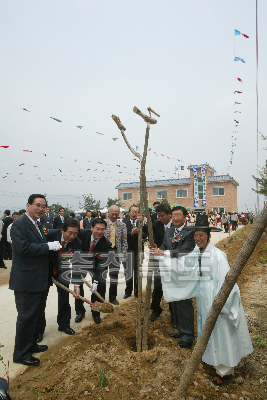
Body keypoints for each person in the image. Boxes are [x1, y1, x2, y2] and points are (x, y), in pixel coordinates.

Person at [183, 214, 253, 385]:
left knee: (222, 333)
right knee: (209, 331)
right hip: (204, 301)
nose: (198, 238)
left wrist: (222, 305)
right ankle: (213, 360)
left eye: (201, 235)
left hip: (218, 304)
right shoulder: (196, 252)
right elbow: (185, 265)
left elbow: (226, 284)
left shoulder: (218, 256)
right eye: (196, 235)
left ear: (209, 236)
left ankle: (225, 371)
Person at [9, 194, 61, 366]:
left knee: (35, 316)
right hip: (26, 279)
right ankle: (21, 353)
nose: (41, 209)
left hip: (39, 278)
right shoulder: (18, 224)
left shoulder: (38, 224)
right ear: (28, 205)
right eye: (37, 205)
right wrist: (47, 246)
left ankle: (30, 345)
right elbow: (23, 248)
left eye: (43, 206)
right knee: (26, 317)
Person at [150, 206, 196, 348]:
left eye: (178, 215)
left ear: (185, 217)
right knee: (175, 302)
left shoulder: (190, 232)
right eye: (174, 215)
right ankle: (181, 331)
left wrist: (164, 253)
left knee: (184, 303)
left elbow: (184, 251)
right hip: (171, 272)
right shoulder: (169, 230)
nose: (176, 218)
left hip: (183, 273)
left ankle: (188, 336)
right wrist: (159, 250)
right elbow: (165, 246)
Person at [41, 218, 82, 337]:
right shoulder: (50, 235)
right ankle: (39, 330)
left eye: (75, 233)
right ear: (62, 230)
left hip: (61, 268)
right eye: (70, 233)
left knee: (64, 297)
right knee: (41, 300)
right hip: (45, 269)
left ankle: (64, 324)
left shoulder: (77, 242)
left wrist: (76, 285)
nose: (72, 236)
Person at [78, 218, 112, 324]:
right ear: (92, 228)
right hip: (81, 261)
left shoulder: (106, 244)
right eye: (97, 229)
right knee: (78, 285)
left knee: (100, 284)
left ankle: (95, 312)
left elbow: (102, 265)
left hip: (95, 264)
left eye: (102, 229)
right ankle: (80, 312)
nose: (100, 232)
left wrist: (96, 281)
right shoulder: (82, 234)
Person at [149, 202, 172, 321]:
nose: (161, 218)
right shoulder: (156, 224)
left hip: (172, 259)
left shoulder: (175, 226)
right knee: (157, 284)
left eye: (163, 216)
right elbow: (149, 236)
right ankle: (156, 308)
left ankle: (174, 312)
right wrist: (150, 244)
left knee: (172, 284)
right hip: (158, 259)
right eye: (159, 216)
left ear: (169, 214)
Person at [123, 205, 148, 299]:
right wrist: (131, 234)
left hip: (138, 250)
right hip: (128, 250)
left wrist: (139, 232)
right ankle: (128, 291)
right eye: (132, 211)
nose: (134, 214)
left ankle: (137, 291)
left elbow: (146, 235)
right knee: (128, 272)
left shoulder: (141, 223)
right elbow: (122, 236)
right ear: (129, 212)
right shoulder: (123, 223)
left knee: (138, 271)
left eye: (136, 212)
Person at [104, 205, 127, 305]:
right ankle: (101, 298)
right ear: (108, 213)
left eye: (116, 214)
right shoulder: (102, 224)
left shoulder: (122, 225)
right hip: (103, 252)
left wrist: (123, 254)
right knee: (101, 276)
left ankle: (112, 297)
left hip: (116, 252)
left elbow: (124, 241)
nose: (114, 216)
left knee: (114, 275)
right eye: (112, 214)